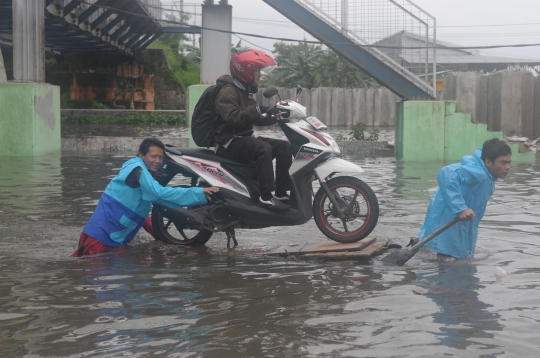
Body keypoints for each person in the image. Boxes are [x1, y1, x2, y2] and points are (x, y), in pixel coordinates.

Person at [72, 138, 219, 257]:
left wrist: (169, 242)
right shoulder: (138, 171)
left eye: (160, 157)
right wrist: (199, 193)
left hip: (113, 238)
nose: (158, 161)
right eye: (153, 156)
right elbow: (159, 194)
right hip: (98, 239)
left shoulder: (141, 170)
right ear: (141, 155)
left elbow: (142, 214)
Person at [213, 47, 292, 212]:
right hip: (229, 142)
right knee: (264, 149)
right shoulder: (227, 92)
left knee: (285, 147)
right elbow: (234, 118)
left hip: (244, 138)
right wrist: (258, 110)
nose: (260, 74)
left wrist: (273, 115)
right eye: (257, 70)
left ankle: (281, 192)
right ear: (245, 70)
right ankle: (265, 197)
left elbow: (256, 118)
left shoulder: (244, 93)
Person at [419, 138, 512, 261]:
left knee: (463, 263)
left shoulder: (486, 174)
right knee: (451, 269)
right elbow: (446, 173)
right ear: (488, 162)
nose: (508, 167)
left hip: (459, 226)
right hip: (448, 227)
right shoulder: (479, 172)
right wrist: (460, 208)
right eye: (503, 163)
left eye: (509, 162)